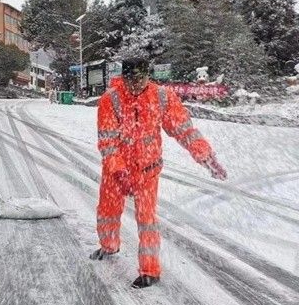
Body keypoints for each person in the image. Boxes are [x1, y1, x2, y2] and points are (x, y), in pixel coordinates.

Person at [90, 58, 227, 288]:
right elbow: (108, 142)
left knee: (147, 220)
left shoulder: (161, 97)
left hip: (147, 170)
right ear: (123, 78)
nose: (135, 85)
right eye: (130, 80)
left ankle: (150, 270)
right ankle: (109, 245)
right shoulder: (110, 100)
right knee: (108, 212)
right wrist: (119, 171)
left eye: (140, 79)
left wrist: (206, 157)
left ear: (147, 76)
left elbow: (185, 131)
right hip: (116, 171)